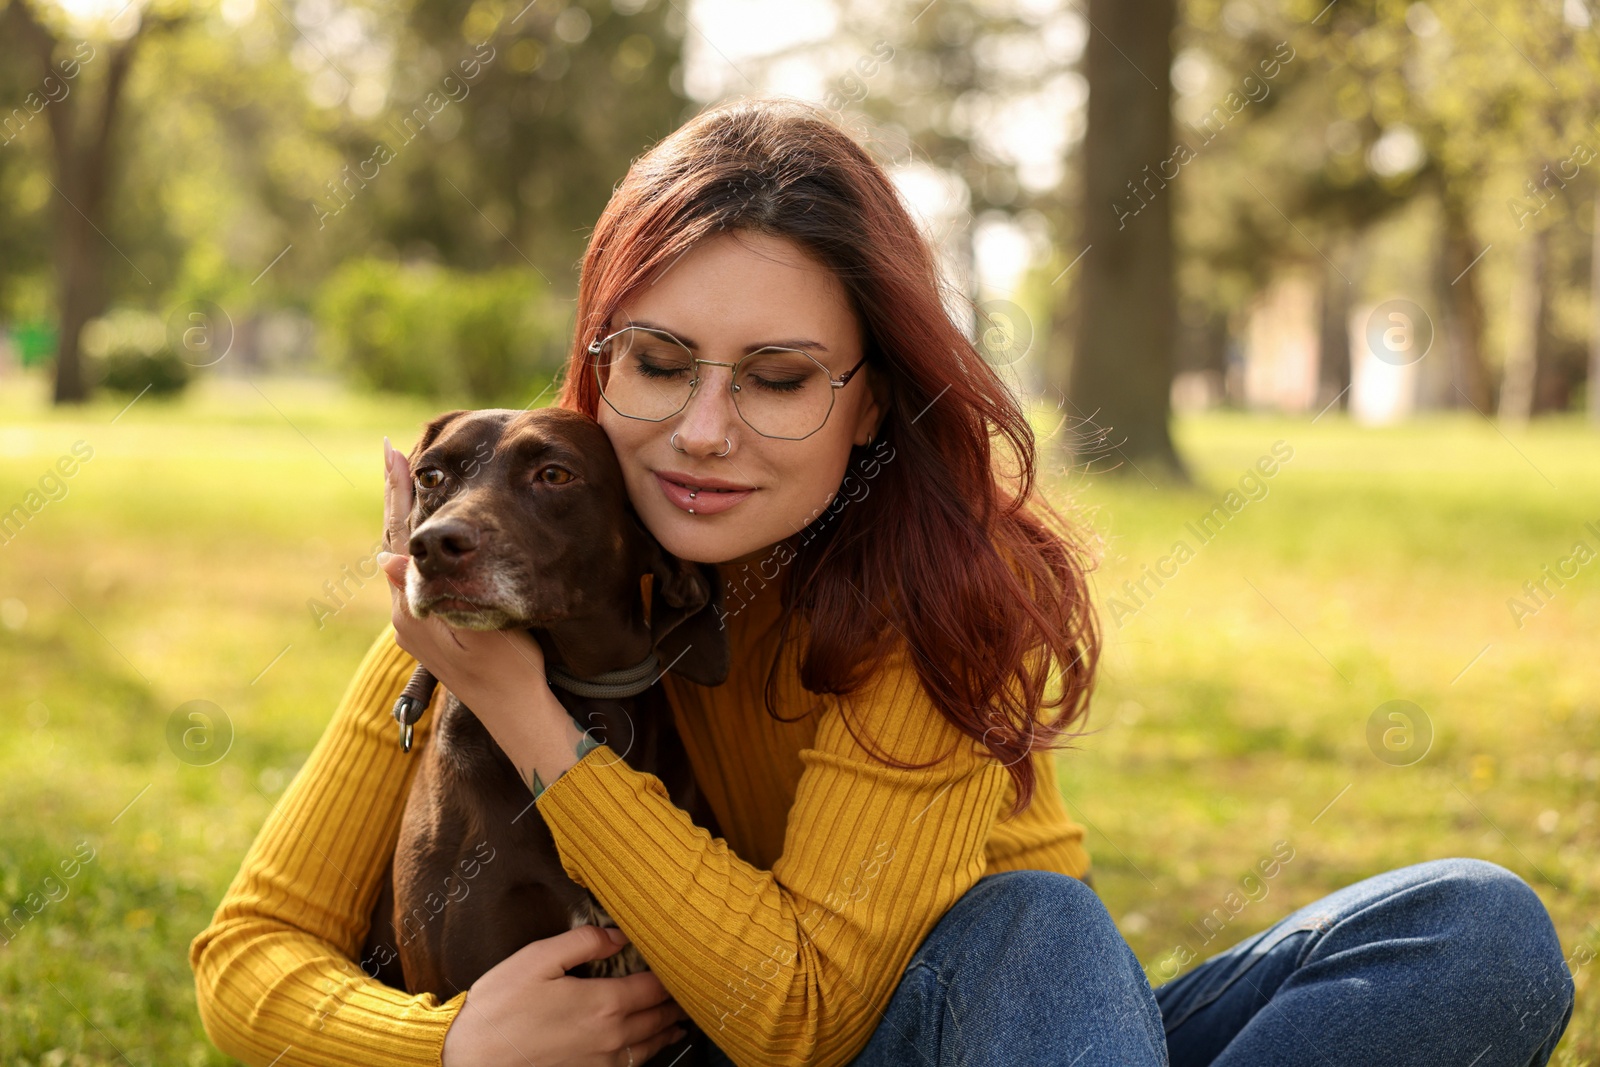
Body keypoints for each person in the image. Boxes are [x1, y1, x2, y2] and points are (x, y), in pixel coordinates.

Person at [190, 97, 1575, 1067]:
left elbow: (799, 1018)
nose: (705, 430)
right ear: (601, 365)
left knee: (1476, 931)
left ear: (870, 401)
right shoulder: (506, 583)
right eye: (660, 364)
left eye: (780, 380)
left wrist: (536, 724)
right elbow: (250, 956)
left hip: (958, 1026)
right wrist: (449, 1048)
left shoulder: (932, 612)